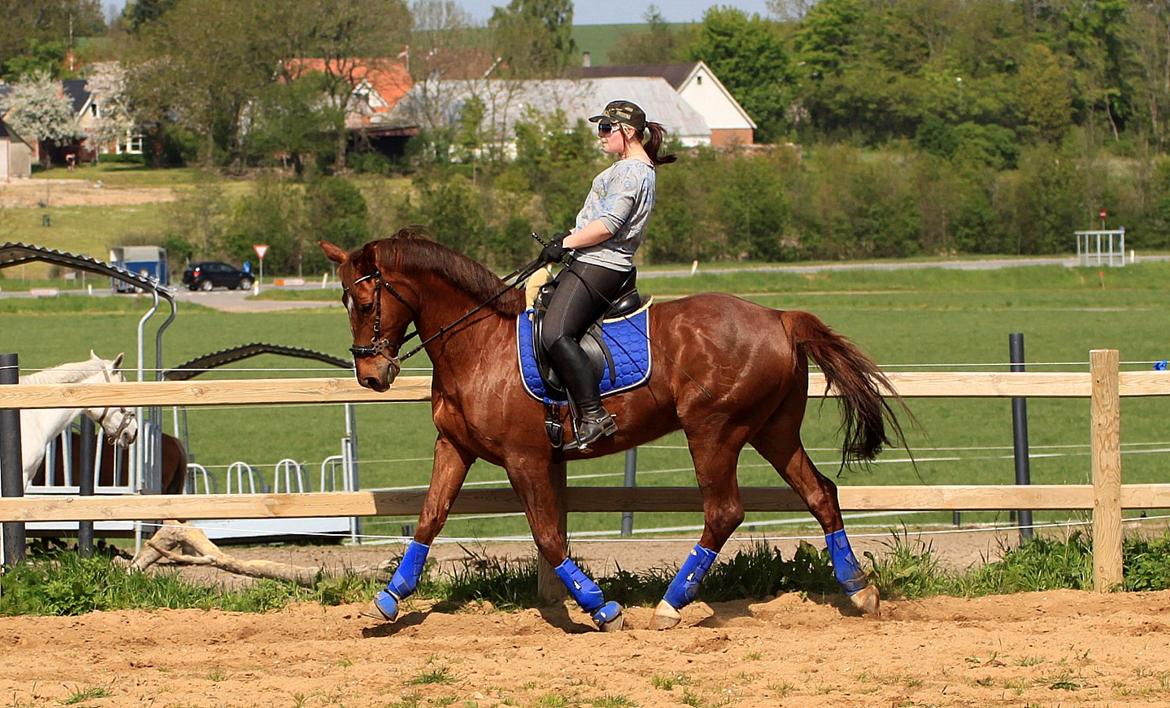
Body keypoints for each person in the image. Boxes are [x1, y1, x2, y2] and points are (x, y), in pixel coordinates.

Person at [538, 99, 677, 449]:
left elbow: (609, 225)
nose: (599, 135)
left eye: (604, 128)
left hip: (602, 263)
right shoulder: (626, 167)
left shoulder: (632, 171)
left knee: (555, 333)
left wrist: (567, 243)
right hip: (591, 257)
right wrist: (567, 238)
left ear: (627, 132)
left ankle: (594, 415)